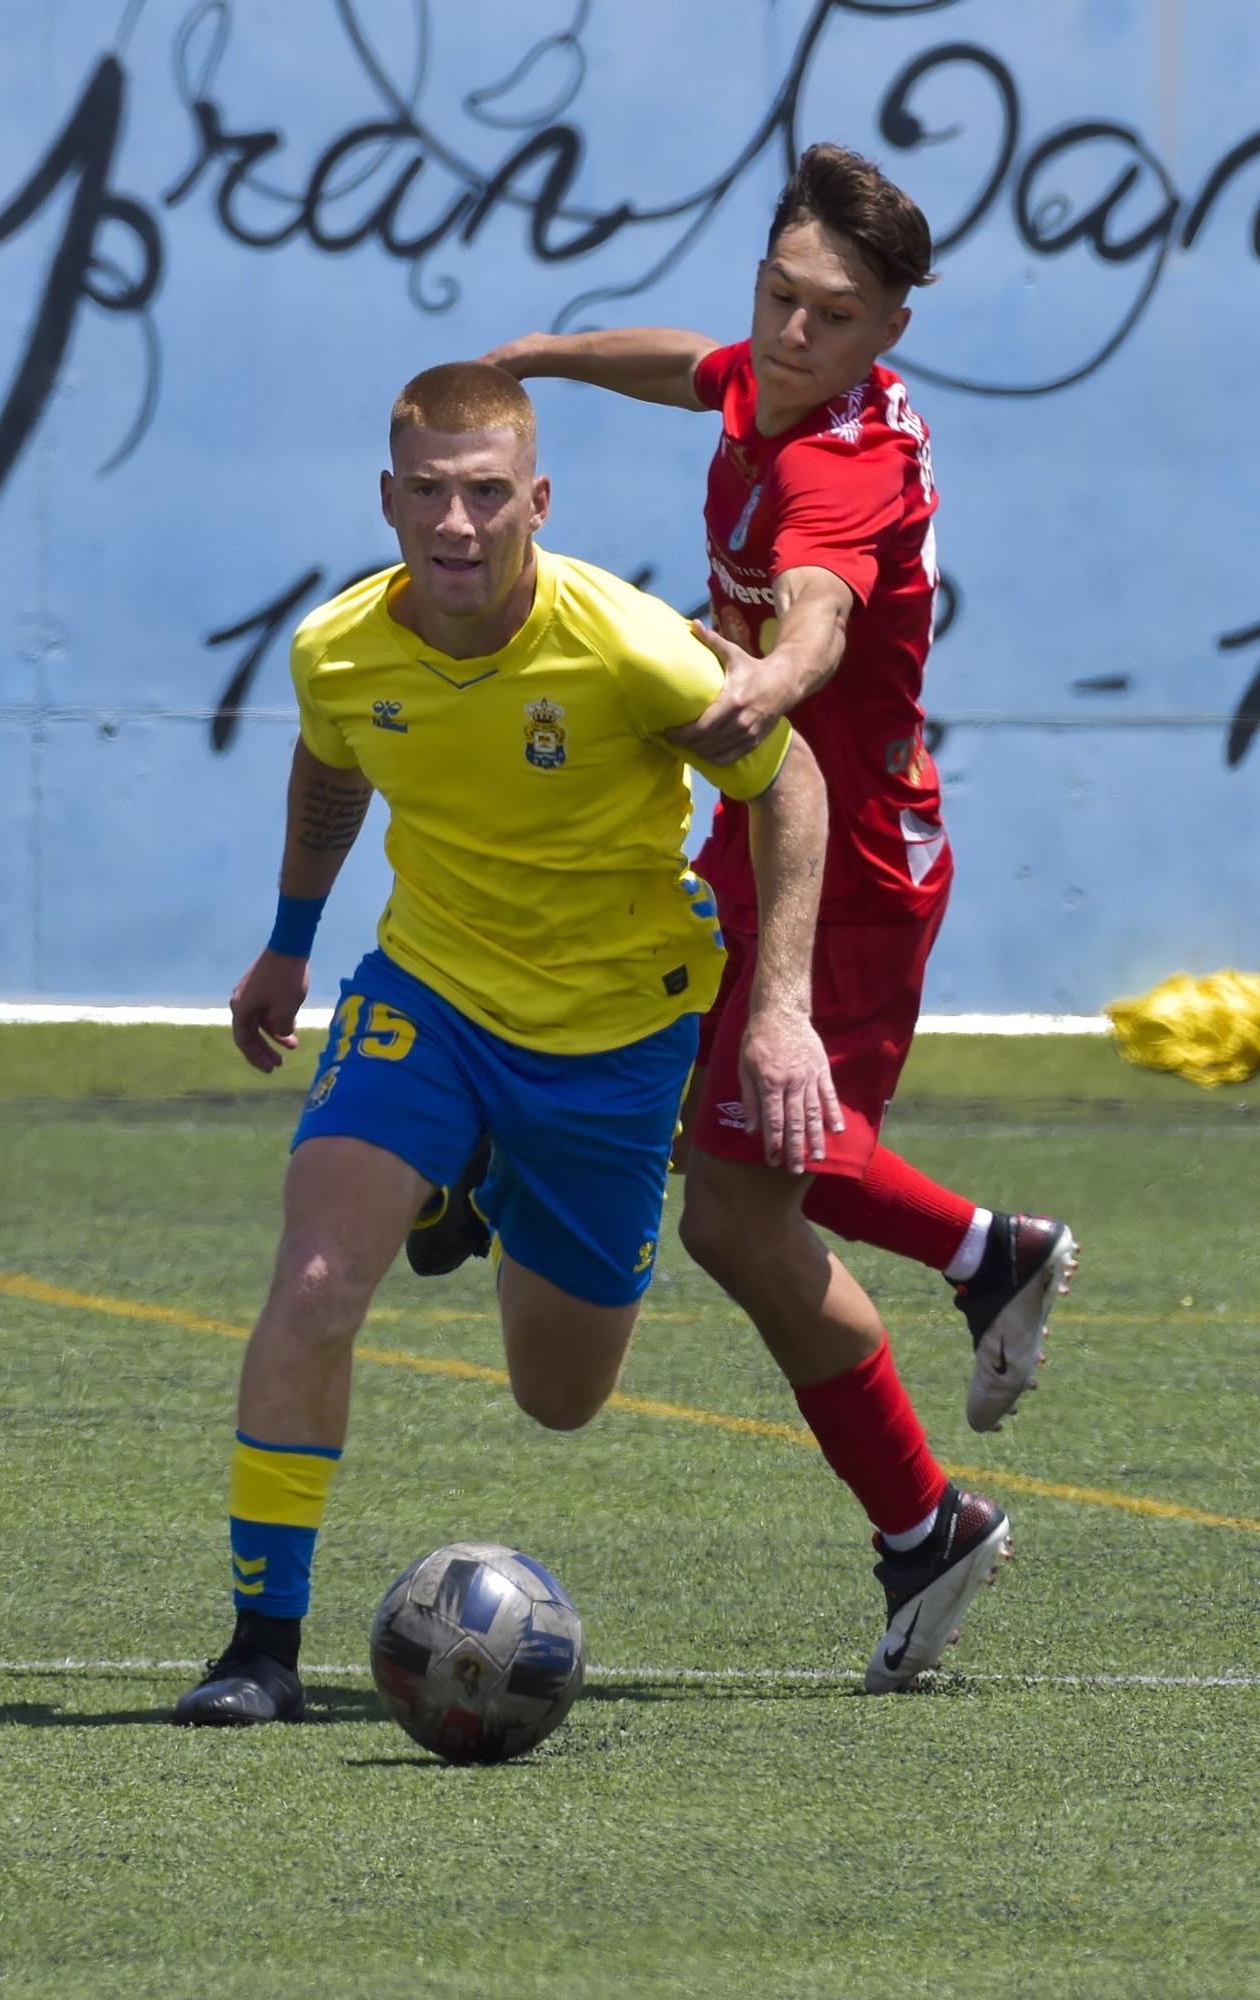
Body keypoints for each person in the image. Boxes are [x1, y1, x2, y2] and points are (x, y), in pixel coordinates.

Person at [175, 361, 841, 1725]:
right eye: (428, 491)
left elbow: (793, 784)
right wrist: (291, 939)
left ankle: (475, 1182)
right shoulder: (338, 647)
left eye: (487, 493)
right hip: (429, 1001)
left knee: (560, 1396)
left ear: (537, 499)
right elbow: (333, 761)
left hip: (614, 1037)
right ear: (389, 498)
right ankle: (259, 1647)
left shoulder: (630, 647)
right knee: (313, 1283)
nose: (457, 522)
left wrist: (777, 1009)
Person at [474, 143, 1077, 1439]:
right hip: (765, 821)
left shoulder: (837, 469)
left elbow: (821, 608)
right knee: (700, 1135)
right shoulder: (774, 379)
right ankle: (985, 1272)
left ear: (893, 330)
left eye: (834, 315)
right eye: (778, 293)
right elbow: (693, 367)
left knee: (748, 1181)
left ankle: (991, 1260)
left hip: (850, 861)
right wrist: (537, 357)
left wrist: (771, 680)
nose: (793, 331)